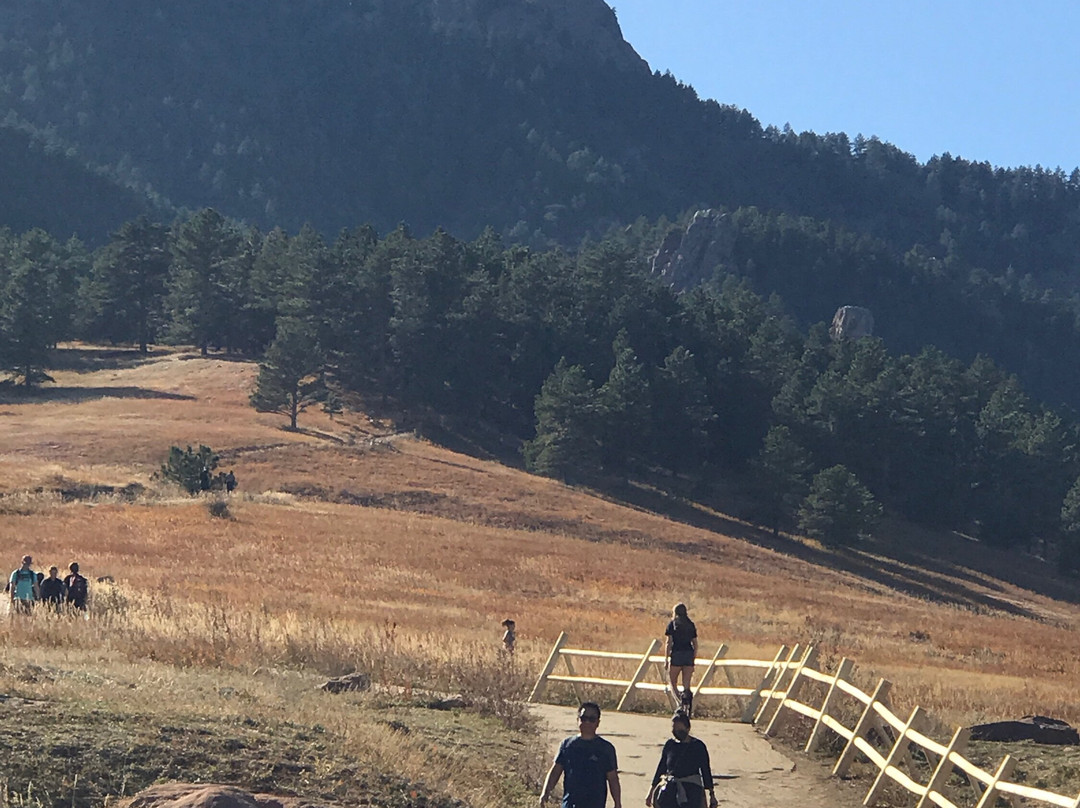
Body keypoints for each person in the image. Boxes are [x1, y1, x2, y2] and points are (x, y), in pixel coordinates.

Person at [540, 702, 621, 808]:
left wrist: (617, 803)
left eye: (592, 719)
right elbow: (556, 770)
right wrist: (545, 793)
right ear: (578, 720)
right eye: (584, 718)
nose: (587, 722)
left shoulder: (606, 749)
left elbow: (613, 778)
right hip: (570, 804)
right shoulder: (567, 745)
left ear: (598, 723)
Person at [646, 712, 718, 808]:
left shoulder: (698, 746)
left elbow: (705, 771)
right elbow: (661, 768)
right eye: (674, 730)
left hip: (692, 793)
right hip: (670, 791)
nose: (677, 733)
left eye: (680, 730)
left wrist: (711, 795)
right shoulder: (670, 745)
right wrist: (651, 791)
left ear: (688, 729)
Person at [665, 603, 698, 715]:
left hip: (677, 653)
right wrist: (693, 657)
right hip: (688, 654)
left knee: (672, 680)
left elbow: (669, 642)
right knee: (686, 683)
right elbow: (695, 644)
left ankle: (679, 702)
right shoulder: (691, 625)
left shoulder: (672, 625)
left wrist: (666, 658)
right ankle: (687, 702)